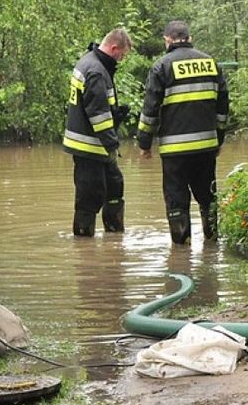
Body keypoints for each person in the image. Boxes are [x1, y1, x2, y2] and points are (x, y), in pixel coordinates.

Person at [137, 21, 229, 244]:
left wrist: (144, 143)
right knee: (207, 197)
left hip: (174, 150)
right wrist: (219, 139)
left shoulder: (162, 66)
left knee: (177, 199)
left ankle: (181, 249)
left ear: (167, 40)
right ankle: (212, 241)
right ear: (189, 37)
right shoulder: (211, 63)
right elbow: (223, 106)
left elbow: (150, 110)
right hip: (206, 147)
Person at [62, 28, 133, 237]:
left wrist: (117, 115)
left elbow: (96, 106)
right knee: (89, 197)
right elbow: (97, 115)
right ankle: (84, 247)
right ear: (113, 48)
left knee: (114, 187)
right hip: (90, 147)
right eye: (122, 54)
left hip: (96, 145)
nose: (122, 59)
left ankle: (114, 239)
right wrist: (112, 144)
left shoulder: (93, 63)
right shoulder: (96, 70)